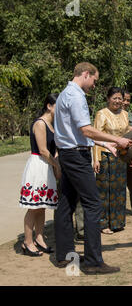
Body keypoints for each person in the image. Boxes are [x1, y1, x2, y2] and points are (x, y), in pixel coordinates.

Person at [54, 62, 132, 275]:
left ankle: (64, 255)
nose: (94, 86)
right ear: (86, 74)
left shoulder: (63, 94)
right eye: (94, 81)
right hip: (77, 156)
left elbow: (76, 133)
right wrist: (117, 139)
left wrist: (105, 143)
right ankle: (92, 262)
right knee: (93, 204)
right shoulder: (77, 96)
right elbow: (87, 130)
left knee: (66, 202)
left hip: (67, 153)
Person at [19, 93, 60, 256]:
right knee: (33, 207)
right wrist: (57, 166)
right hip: (38, 166)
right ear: (49, 106)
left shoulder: (52, 125)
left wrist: (55, 162)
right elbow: (43, 150)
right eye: (58, 106)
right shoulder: (40, 124)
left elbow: (53, 149)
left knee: (42, 206)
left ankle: (40, 238)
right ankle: (27, 242)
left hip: (47, 166)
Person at [93, 87, 132, 234]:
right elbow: (95, 137)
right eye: (114, 98)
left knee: (119, 190)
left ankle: (117, 222)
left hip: (120, 156)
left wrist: (131, 157)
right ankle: (103, 224)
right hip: (104, 156)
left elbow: (126, 137)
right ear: (108, 99)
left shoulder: (125, 114)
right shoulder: (101, 114)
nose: (117, 101)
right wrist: (95, 159)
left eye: (120, 98)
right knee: (104, 191)